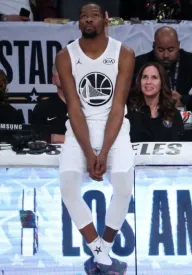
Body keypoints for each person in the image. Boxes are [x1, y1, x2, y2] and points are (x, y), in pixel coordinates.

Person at [55, 3, 135, 274]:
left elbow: (117, 107)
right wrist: (90, 153)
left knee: (124, 186)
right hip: (79, 128)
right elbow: (74, 108)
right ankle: (104, 259)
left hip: (115, 127)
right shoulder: (66, 55)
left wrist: (104, 151)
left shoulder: (124, 53)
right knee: (68, 187)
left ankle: (103, 254)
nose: (88, 20)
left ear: (106, 20)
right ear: (79, 22)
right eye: (83, 16)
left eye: (94, 15)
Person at [133, 26, 192, 115]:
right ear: (154, 46)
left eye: (171, 50)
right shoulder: (140, 63)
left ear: (178, 45)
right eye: (160, 50)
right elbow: (131, 95)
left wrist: (184, 100)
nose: (166, 55)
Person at [127, 62, 184, 142]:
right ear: (139, 81)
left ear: (162, 83)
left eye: (154, 77)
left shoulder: (173, 113)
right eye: (144, 77)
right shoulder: (128, 112)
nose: (148, 82)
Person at [31, 65, 67, 144]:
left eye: (69, 71)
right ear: (53, 79)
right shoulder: (42, 108)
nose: (64, 75)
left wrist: (55, 138)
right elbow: (35, 136)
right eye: (60, 72)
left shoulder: (89, 106)